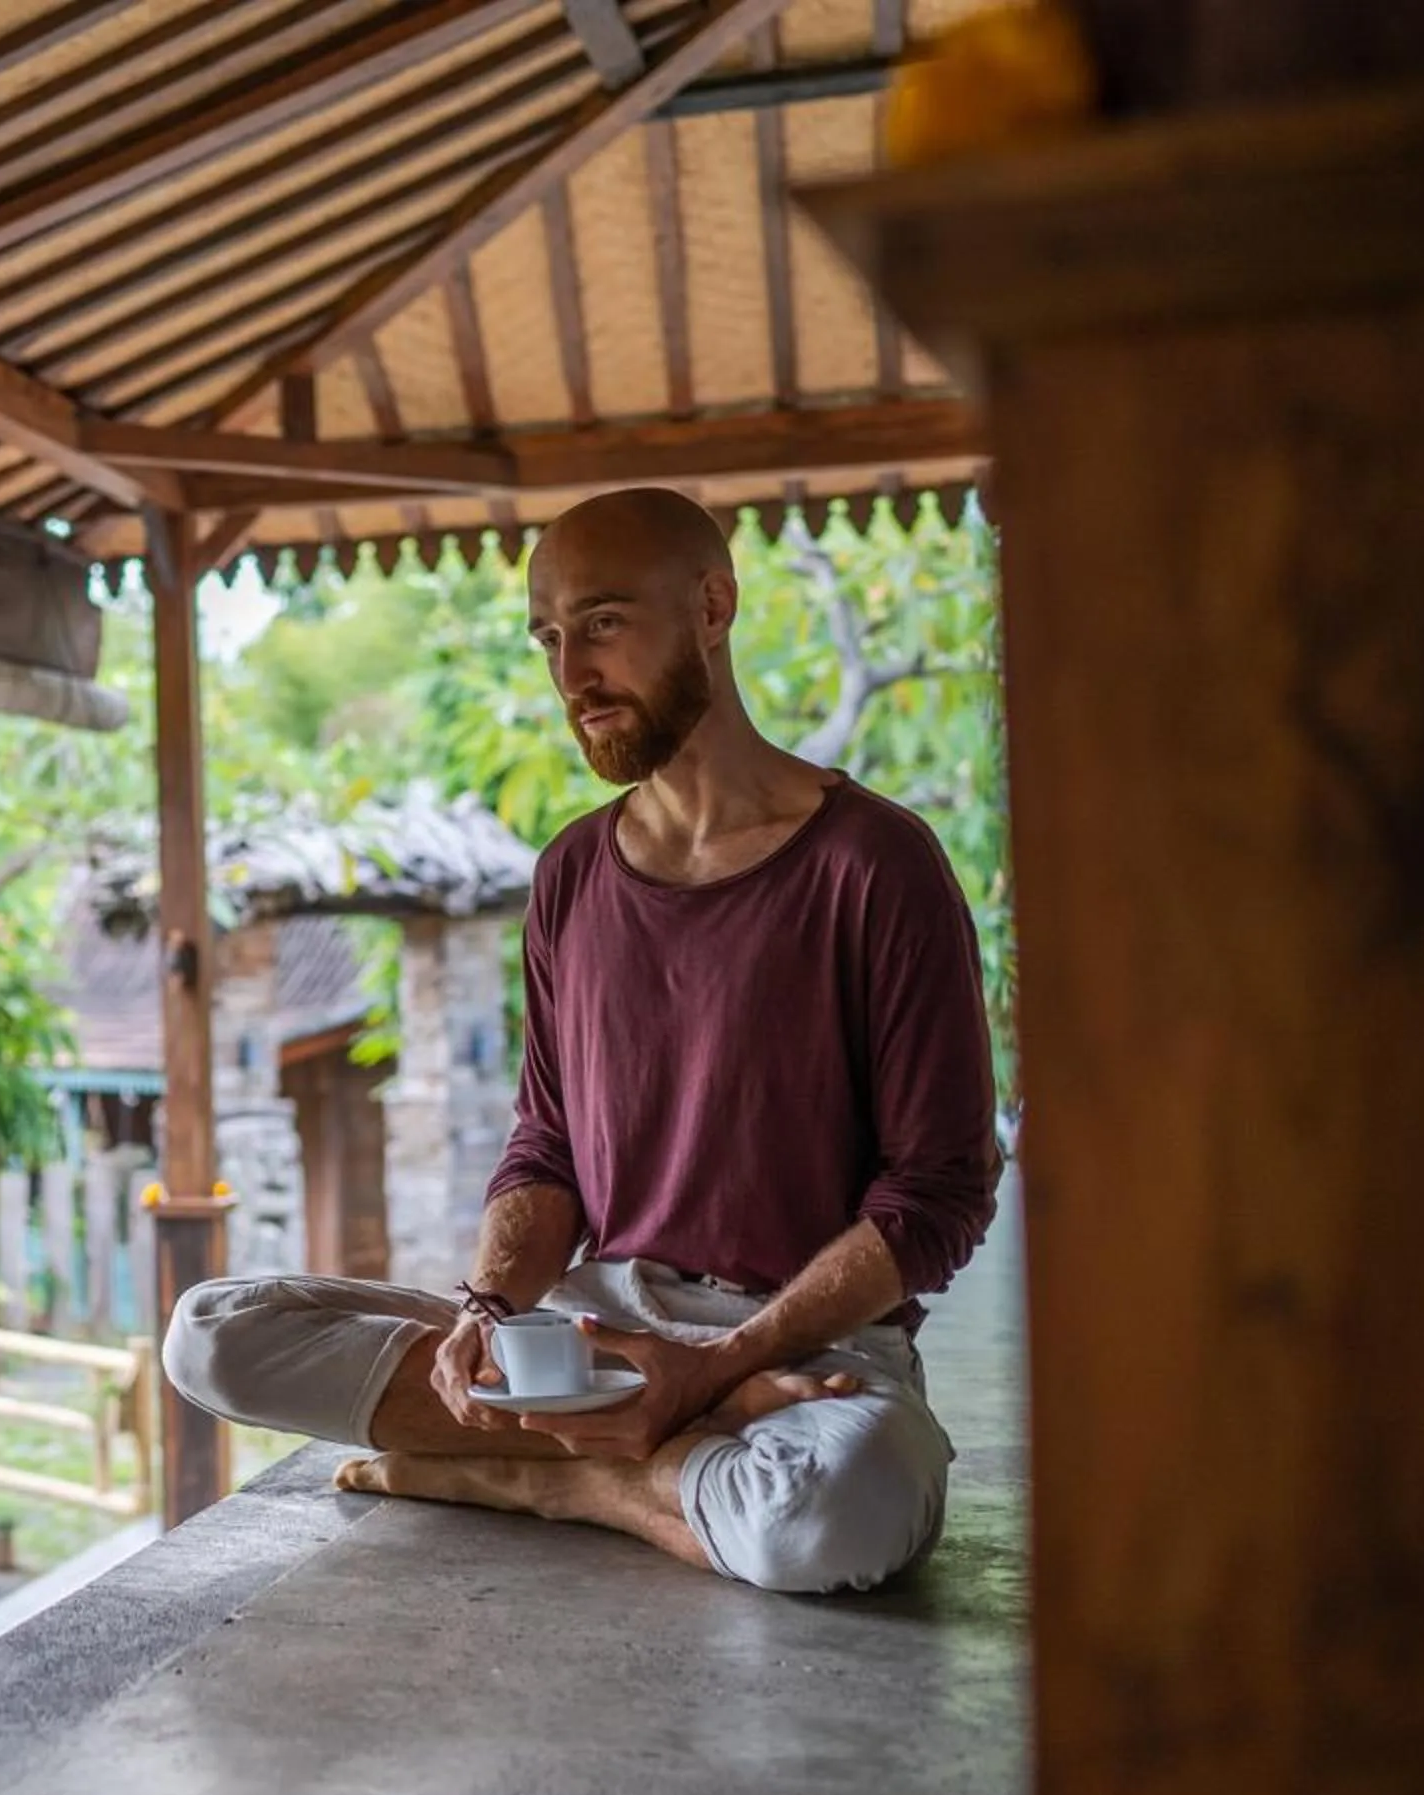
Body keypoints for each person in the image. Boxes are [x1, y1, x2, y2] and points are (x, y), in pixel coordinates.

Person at [164, 488, 999, 1595]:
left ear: (713, 604)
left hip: (805, 1357)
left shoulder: (877, 865)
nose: (571, 677)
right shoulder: (569, 873)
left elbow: (940, 1191)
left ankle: (556, 1481)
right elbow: (548, 1146)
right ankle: (650, 1458)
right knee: (211, 1333)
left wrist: (719, 1366)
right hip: (587, 1344)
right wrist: (488, 1313)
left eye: (604, 623)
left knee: (830, 1515)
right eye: (550, 638)